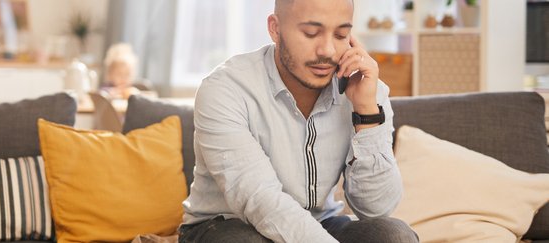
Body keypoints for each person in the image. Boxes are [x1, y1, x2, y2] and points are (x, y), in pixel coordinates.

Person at [179, 0, 419, 242]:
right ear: (275, 28)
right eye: (311, 33)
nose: (328, 50)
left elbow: (377, 209)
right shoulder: (225, 89)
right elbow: (261, 202)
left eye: (340, 34)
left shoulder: (366, 90)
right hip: (227, 225)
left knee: (394, 235)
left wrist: (366, 112)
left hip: (319, 223)